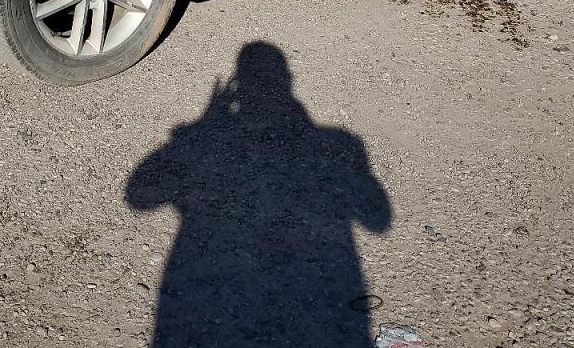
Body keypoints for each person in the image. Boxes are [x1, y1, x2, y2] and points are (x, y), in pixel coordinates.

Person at [127, 41, 392, 347]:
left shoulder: (330, 142)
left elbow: (138, 195)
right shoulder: (336, 142)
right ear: (289, 81)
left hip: (204, 301)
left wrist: (200, 129)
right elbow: (378, 219)